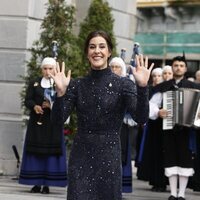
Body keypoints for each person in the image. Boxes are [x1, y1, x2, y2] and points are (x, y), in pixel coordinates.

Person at [50, 30, 154, 200]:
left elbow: (141, 118)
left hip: (109, 159)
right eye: (92, 47)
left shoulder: (123, 85)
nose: (97, 51)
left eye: (101, 46)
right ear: (87, 53)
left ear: (109, 52)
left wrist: (142, 88)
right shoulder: (77, 85)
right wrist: (60, 94)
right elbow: (57, 121)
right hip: (80, 159)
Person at [150, 55, 200, 200]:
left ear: (185, 68)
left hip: (187, 130)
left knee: (185, 160)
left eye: (181, 65)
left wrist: (198, 116)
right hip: (168, 128)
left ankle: (182, 194)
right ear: (172, 67)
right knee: (170, 158)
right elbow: (152, 104)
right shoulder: (164, 86)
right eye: (176, 65)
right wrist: (158, 111)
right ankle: (173, 193)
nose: (178, 67)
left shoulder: (194, 87)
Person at [19, 57, 67, 194]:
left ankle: (47, 184)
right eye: (45, 69)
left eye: (50, 68)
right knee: (36, 153)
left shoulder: (59, 84)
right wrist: (34, 106)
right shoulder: (34, 82)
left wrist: (51, 105)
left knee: (49, 154)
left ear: (54, 69)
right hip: (37, 124)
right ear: (41, 69)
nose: (47, 71)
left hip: (52, 125)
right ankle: (36, 183)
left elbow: (64, 103)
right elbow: (27, 99)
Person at [109, 57, 136, 193]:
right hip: (105, 127)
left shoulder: (127, 84)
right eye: (112, 67)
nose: (114, 70)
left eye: (117, 67)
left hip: (122, 126)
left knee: (121, 156)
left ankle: (119, 188)